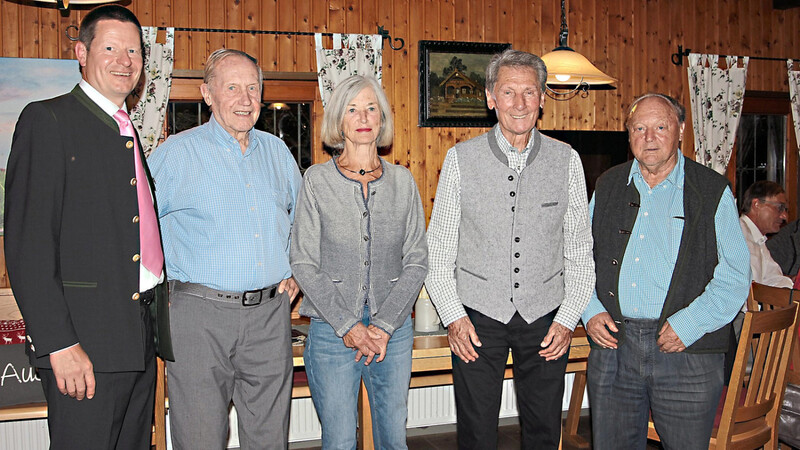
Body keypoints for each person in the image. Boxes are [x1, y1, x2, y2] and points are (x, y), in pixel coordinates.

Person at [4, 5, 173, 448]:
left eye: (134, 51)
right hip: (82, 348)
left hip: (135, 343)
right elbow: (28, 246)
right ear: (81, 52)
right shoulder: (48, 120)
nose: (125, 60)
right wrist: (59, 345)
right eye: (111, 47)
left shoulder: (127, 128)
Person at [425, 49, 595, 449]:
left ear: (541, 98)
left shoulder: (566, 160)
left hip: (545, 316)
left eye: (529, 92)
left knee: (543, 429)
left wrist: (568, 319)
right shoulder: (460, 160)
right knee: (477, 430)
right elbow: (439, 251)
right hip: (477, 317)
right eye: (508, 92)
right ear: (490, 98)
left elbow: (579, 251)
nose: (519, 103)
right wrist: (453, 317)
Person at [147, 48, 302, 449]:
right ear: (207, 93)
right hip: (198, 318)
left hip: (270, 317)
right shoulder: (176, 154)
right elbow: (137, 228)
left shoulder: (278, 153)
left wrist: (297, 272)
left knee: (270, 439)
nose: (246, 99)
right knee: (200, 437)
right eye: (232, 87)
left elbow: (305, 224)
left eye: (253, 88)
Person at [583, 93, 751, 450]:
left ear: (681, 131)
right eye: (639, 128)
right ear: (628, 134)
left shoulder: (711, 190)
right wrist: (590, 311)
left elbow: (735, 275)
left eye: (660, 127)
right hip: (614, 346)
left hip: (686, 351)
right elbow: (580, 258)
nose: (649, 137)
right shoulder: (608, 186)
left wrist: (688, 325)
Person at [290, 75, 428, 449]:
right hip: (333, 333)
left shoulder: (403, 181)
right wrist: (350, 325)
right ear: (339, 121)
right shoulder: (316, 181)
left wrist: (383, 326)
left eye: (371, 108)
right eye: (352, 109)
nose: (363, 116)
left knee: (393, 440)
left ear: (381, 119)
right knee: (338, 442)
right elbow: (303, 261)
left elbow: (417, 261)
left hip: (394, 334)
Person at [740, 180, 793, 288]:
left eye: (785, 210)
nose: (784, 216)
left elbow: (773, 279)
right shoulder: (739, 236)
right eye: (779, 207)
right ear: (756, 204)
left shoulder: (758, 239)